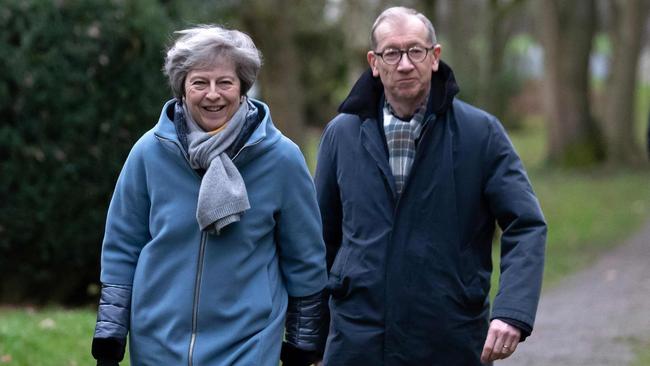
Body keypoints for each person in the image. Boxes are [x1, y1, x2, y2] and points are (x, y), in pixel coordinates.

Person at [314, 7, 547, 365]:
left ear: (435, 57)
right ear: (374, 63)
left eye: (415, 51)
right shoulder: (341, 134)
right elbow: (321, 238)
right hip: (357, 339)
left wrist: (512, 311)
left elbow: (526, 224)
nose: (404, 64)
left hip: (448, 336)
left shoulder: (479, 134)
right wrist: (312, 335)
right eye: (392, 53)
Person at [91, 25, 327, 366]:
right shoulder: (148, 152)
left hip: (248, 347)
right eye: (200, 82)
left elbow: (305, 259)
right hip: (157, 345)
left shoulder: (281, 159)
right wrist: (110, 334)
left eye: (225, 82)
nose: (213, 94)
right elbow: (122, 246)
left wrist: (303, 345)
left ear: (243, 87)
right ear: (182, 89)